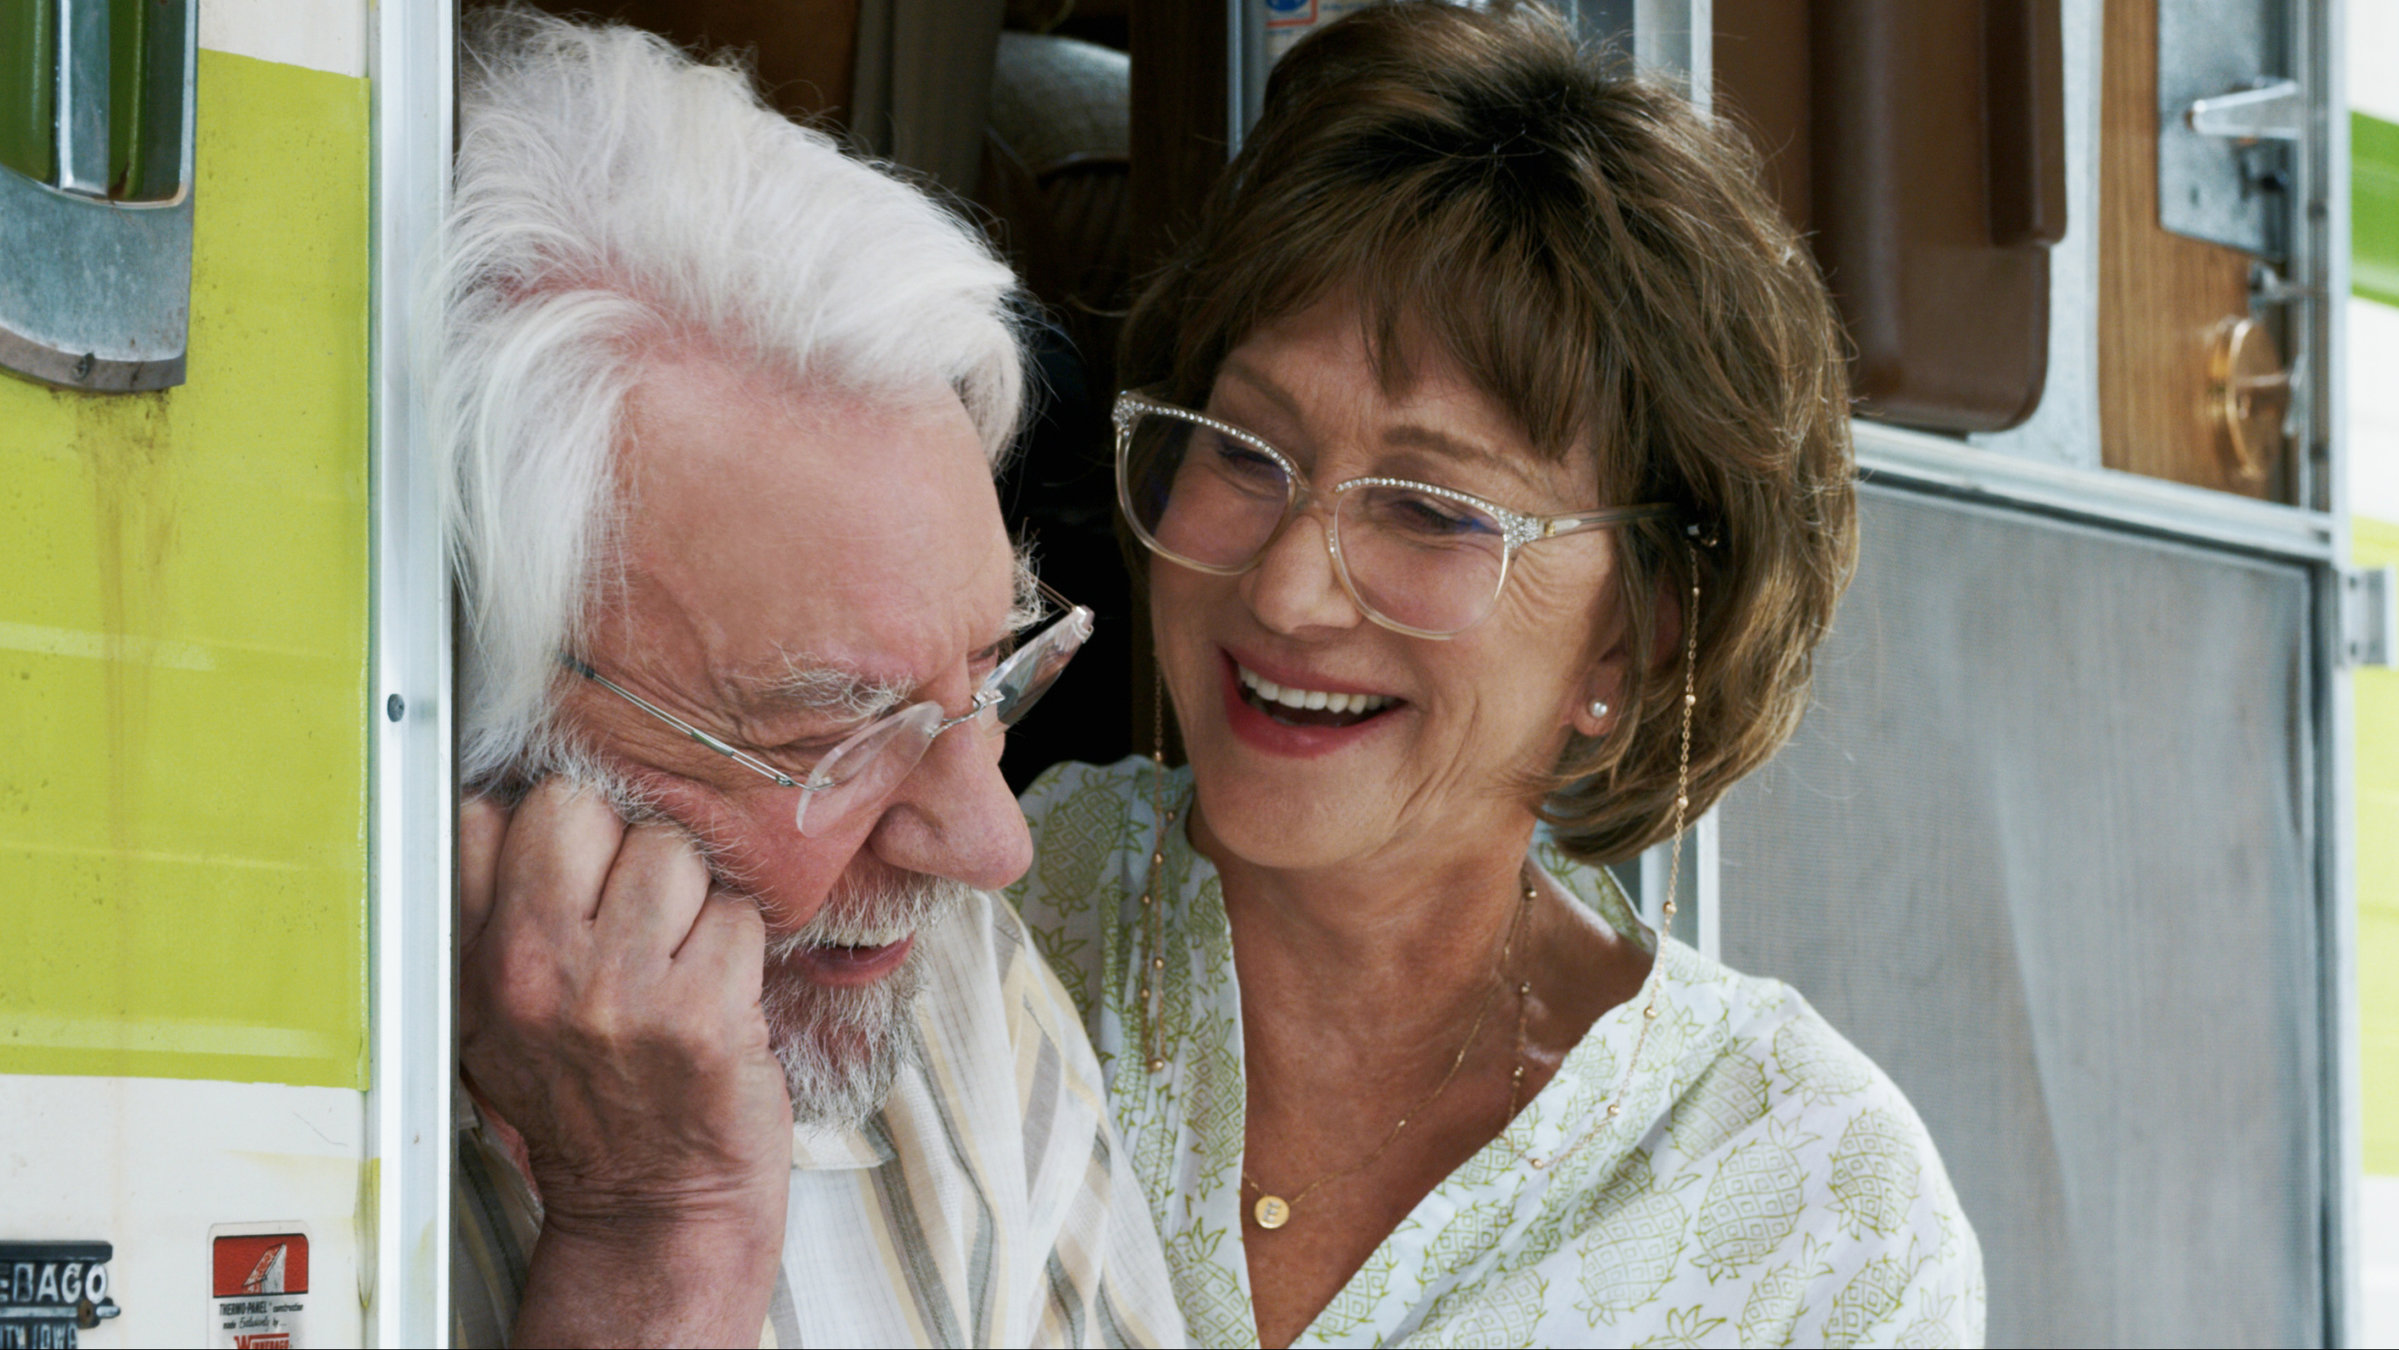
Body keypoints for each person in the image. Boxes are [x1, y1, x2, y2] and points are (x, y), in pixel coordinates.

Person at [1007, 3, 1985, 1345]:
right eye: (1243, 449)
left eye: (1430, 509)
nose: (1286, 588)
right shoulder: (981, 917)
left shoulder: (1811, 1203)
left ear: (1635, 635)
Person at [435, 12, 1181, 1346]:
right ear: (479, 708)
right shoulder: (233, 1122)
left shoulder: (950, 992)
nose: (995, 845)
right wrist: (658, 1256)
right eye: (841, 735)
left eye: (986, 674)